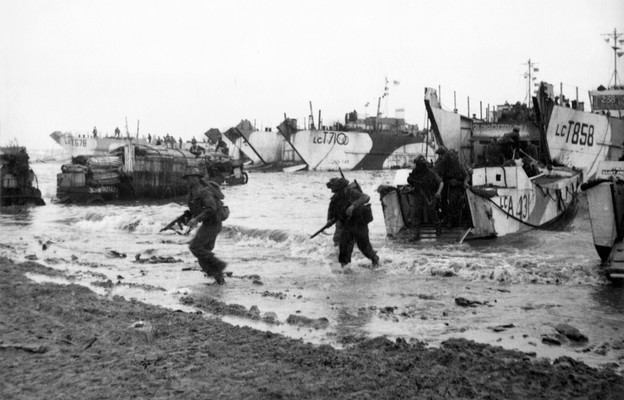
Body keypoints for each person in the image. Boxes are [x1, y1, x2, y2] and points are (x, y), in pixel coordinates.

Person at [182, 167, 228, 285]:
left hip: (213, 224)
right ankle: (219, 279)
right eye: (186, 179)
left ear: (195, 179)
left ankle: (219, 265)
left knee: (195, 247)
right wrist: (189, 216)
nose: (186, 182)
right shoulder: (193, 194)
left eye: (188, 179)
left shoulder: (204, 191)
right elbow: (197, 210)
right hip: (209, 224)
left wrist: (197, 219)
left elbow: (211, 208)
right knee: (203, 252)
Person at [326, 177, 379, 267]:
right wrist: (329, 220)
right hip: (347, 224)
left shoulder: (351, 192)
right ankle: (344, 268)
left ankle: (375, 259)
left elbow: (366, 197)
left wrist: (353, 206)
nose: (334, 192)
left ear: (341, 188)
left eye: (336, 190)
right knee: (344, 247)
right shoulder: (335, 198)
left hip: (359, 222)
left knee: (364, 247)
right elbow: (331, 211)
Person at [406, 155, 443, 240]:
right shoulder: (415, 172)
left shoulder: (430, 173)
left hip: (430, 194)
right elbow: (410, 180)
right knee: (416, 213)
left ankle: (438, 226)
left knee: (431, 211)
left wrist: (438, 192)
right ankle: (416, 234)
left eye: (417, 164)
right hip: (419, 194)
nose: (416, 166)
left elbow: (440, 182)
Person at [433, 147, 470, 228]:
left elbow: (466, 175)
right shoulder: (443, 164)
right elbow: (437, 173)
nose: (451, 158)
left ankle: (451, 220)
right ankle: (446, 219)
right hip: (446, 185)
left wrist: (464, 182)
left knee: (453, 201)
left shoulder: (459, 164)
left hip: (456, 186)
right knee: (443, 201)